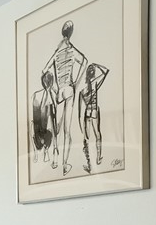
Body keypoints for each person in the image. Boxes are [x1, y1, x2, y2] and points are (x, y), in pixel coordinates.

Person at [48, 20, 86, 174]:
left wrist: (55, 86)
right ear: (71, 33)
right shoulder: (71, 50)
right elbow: (84, 62)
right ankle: (65, 164)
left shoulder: (57, 52)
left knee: (56, 129)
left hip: (59, 91)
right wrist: (76, 82)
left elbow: (45, 70)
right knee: (67, 131)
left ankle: (55, 160)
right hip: (69, 89)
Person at [80, 61, 110, 172]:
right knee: (97, 134)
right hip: (94, 111)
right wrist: (98, 65)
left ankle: (89, 163)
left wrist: (80, 123)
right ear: (93, 74)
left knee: (86, 138)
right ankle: (98, 158)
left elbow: (80, 110)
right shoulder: (95, 83)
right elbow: (106, 71)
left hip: (86, 113)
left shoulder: (83, 90)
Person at [31, 68, 58, 166]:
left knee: (45, 126)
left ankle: (39, 153)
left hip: (40, 126)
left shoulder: (38, 95)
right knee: (47, 125)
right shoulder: (44, 96)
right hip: (40, 125)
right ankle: (42, 152)